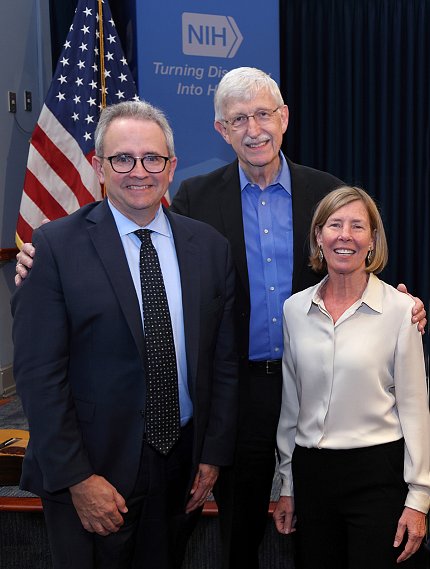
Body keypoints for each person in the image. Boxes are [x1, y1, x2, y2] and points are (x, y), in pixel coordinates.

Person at [15, 67, 427, 569]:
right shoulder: (194, 202)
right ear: (220, 130)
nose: (253, 128)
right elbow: (45, 365)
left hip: (324, 387)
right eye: (238, 119)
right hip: (236, 395)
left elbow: (350, 261)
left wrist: (400, 305)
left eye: (262, 114)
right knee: (237, 531)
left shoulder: (325, 191)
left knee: (321, 528)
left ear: (285, 118)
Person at [11, 100, 238, 569]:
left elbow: (223, 362)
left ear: (171, 167)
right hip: (94, 471)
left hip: (180, 465)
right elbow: (38, 377)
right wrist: (78, 478)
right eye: (122, 159)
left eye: (152, 158)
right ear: (98, 166)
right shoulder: (54, 247)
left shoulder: (210, 248)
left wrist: (212, 456)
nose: (139, 171)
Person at [273, 186, 430, 569]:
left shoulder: (400, 311)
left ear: (372, 241)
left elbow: (415, 409)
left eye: (358, 226)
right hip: (312, 478)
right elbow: (292, 407)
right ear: (318, 236)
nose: (345, 235)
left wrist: (419, 498)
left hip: (378, 477)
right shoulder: (294, 310)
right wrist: (287, 485)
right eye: (335, 225)